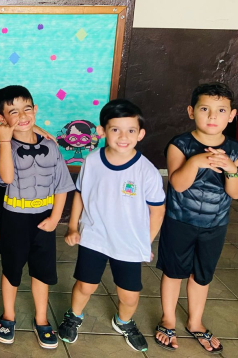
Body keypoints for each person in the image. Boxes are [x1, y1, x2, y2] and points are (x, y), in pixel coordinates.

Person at [58, 99, 166, 352]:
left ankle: (123, 321)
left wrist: (145, 243)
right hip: (94, 236)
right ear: (102, 131)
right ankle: (74, 315)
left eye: (131, 130)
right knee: (85, 285)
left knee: (129, 295)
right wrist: (72, 227)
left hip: (129, 243)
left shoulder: (146, 171)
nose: (123, 136)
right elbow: (81, 194)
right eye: (115, 129)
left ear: (140, 134)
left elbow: (158, 211)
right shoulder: (92, 161)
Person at [154, 83, 238, 353]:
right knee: (173, 272)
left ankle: (195, 321)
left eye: (221, 110)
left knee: (201, 275)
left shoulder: (237, 151)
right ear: (191, 112)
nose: (213, 116)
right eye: (205, 109)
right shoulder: (180, 145)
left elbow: (237, 192)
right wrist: (195, 162)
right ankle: (168, 318)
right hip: (179, 222)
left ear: (232, 115)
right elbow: (178, 185)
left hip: (214, 226)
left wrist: (231, 168)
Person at [0, 85, 75, 348]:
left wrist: (56, 218)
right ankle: (8, 316)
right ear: (2, 118)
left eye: (27, 109)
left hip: (45, 218)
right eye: (13, 112)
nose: (23, 116)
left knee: (42, 271)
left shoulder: (51, 146)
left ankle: (41, 318)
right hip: (14, 218)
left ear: (35, 109)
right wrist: (5, 141)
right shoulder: (2, 149)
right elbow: (6, 178)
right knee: (12, 269)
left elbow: (62, 185)